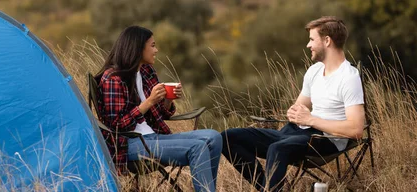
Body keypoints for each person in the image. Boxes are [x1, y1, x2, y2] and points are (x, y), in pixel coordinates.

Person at [221, 16, 366, 192]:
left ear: (327, 41)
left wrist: (311, 120)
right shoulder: (314, 71)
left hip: (325, 140)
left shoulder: (348, 77)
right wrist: (294, 113)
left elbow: (356, 130)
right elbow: (299, 107)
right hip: (296, 133)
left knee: (278, 148)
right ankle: (267, 188)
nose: (308, 45)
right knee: (228, 137)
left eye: (312, 39)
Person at [94, 26, 222, 192]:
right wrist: (149, 102)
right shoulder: (114, 78)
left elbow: (160, 113)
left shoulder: (146, 71)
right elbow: (116, 125)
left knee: (214, 137)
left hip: (153, 136)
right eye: (152, 45)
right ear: (138, 48)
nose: (156, 50)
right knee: (197, 147)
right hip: (129, 144)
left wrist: (167, 99)